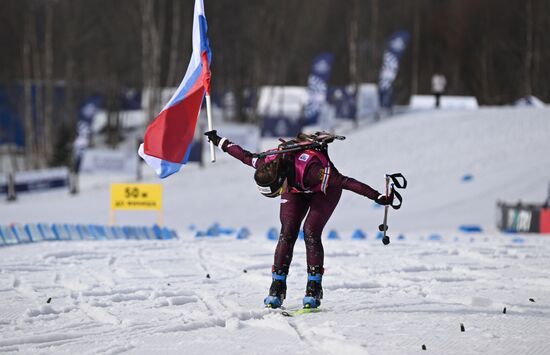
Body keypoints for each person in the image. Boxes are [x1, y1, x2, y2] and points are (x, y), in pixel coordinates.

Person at [204, 130, 393, 309]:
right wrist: (219, 140)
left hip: (323, 190)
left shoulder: (312, 171)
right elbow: (243, 156)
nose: (279, 195)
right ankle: (277, 286)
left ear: (281, 180)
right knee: (287, 231)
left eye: (277, 192)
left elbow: (345, 182)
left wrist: (377, 196)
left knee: (311, 230)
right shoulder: (266, 163)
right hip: (295, 188)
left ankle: (314, 287)